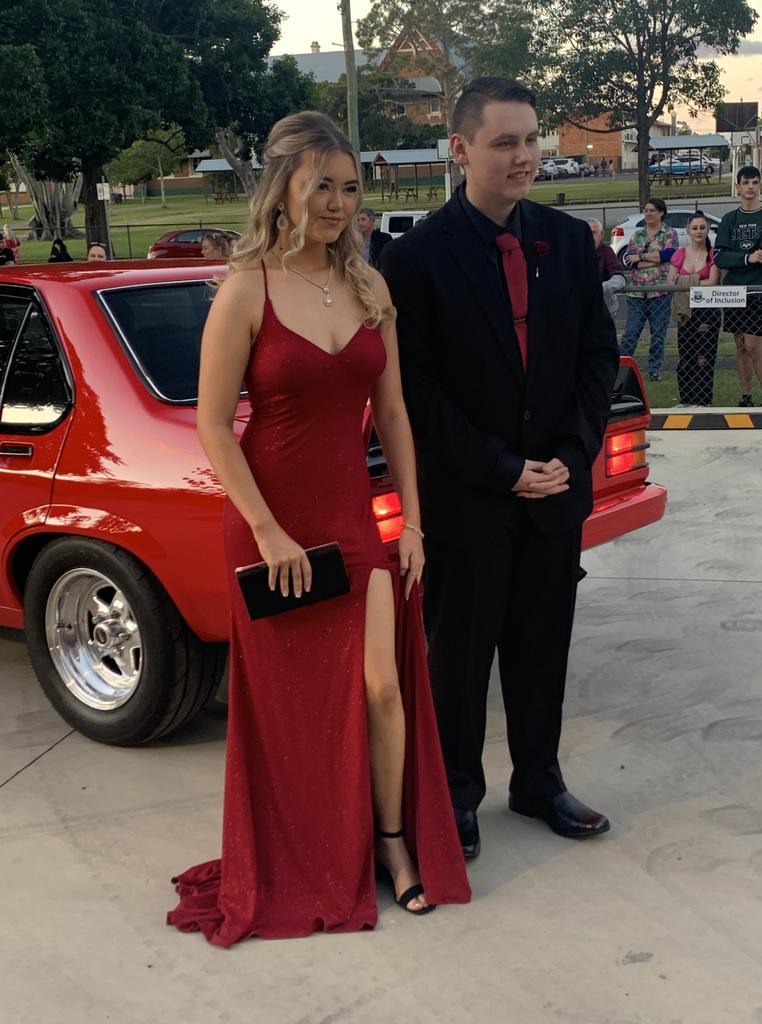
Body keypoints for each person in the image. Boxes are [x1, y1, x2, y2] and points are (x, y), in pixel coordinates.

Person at [166, 111, 470, 947]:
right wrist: (266, 532)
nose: (339, 203)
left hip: (347, 516)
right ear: (285, 189)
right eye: (322, 186)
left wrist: (412, 521)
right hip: (271, 526)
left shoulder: (372, 289)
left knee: (381, 686)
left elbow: (396, 414)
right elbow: (215, 426)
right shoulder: (246, 288)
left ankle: (392, 844)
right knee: (291, 709)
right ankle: (305, 851)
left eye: (349, 188)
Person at [381, 77, 618, 861]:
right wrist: (502, 467)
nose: (526, 158)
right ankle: (457, 792)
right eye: (505, 142)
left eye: (532, 139)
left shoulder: (566, 240)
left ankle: (538, 781)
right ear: (460, 149)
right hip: (470, 499)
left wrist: (572, 457)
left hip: (554, 493)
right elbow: (417, 392)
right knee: (461, 654)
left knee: (542, 645)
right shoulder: (416, 260)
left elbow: (595, 357)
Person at [713, 166, 762, 408]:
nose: (750, 187)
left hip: (758, 288)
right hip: (733, 289)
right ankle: (746, 396)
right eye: (746, 182)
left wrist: (744, 257)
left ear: (759, 185)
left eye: (755, 182)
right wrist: (746, 258)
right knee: (739, 345)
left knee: (753, 344)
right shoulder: (729, 220)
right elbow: (719, 257)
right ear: (738, 186)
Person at [619, 198, 678, 382]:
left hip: (660, 292)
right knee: (631, 333)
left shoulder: (669, 233)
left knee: (658, 333)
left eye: (652, 210)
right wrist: (654, 258)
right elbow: (629, 261)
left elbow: (669, 255)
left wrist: (641, 257)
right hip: (637, 292)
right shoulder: (637, 236)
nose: (648, 213)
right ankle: (622, 369)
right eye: (646, 210)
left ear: (661, 212)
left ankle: (654, 370)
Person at [667, 212, 721, 406]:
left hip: (707, 311)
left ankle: (703, 400)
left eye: (702, 228)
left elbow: (713, 281)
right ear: (688, 230)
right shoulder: (680, 253)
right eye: (695, 228)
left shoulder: (712, 254)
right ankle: (686, 399)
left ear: (707, 230)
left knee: (704, 356)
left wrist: (686, 282)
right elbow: (670, 281)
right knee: (686, 356)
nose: (698, 231)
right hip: (685, 311)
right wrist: (697, 281)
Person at [588, 218, 625, 321]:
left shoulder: (607, 252)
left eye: (594, 232)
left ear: (601, 234)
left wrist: (602, 288)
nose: (590, 236)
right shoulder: (575, 253)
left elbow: (619, 277)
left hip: (605, 309)